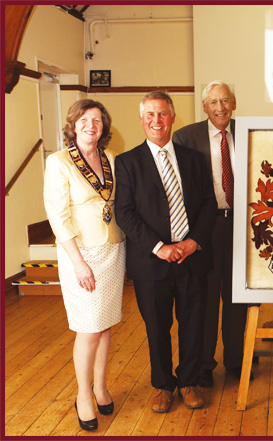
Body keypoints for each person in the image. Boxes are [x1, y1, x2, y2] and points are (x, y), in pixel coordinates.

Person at [114, 91, 217, 413]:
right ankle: (162, 385)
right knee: (156, 327)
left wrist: (192, 242)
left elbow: (207, 204)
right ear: (142, 120)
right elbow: (125, 212)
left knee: (192, 323)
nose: (156, 121)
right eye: (150, 115)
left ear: (172, 118)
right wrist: (159, 247)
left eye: (162, 114)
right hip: (151, 262)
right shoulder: (128, 162)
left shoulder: (193, 159)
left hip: (191, 258)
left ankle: (188, 382)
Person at [44, 99, 125, 431]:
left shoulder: (110, 159)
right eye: (84, 119)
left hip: (113, 248)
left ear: (103, 126)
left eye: (97, 120)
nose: (91, 125)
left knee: (105, 324)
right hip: (81, 254)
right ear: (73, 124)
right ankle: (83, 395)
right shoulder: (59, 162)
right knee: (88, 327)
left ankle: (101, 386)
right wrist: (78, 264)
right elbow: (58, 216)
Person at [172, 81, 249, 388]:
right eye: (214, 102)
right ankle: (203, 363)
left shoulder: (248, 132)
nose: (220, 107)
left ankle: (235, 360)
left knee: (237, 297)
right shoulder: (185, 137)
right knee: (203, 298)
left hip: (241, 225)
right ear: (204, 106)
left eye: (226, 101)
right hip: (203, 227)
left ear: (234, 103)